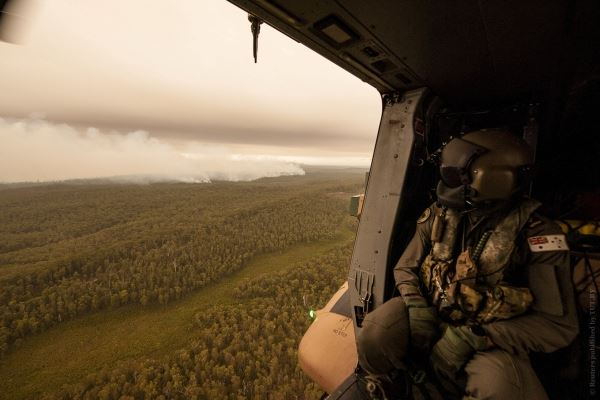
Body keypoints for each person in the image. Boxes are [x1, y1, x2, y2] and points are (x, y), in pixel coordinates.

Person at [357, 129, 579, 399]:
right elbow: (406, 268)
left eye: (458, 175)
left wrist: (476, 336)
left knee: (501, 387)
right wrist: (416, 305)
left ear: (493, 178)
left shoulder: (538, 234)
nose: (448, 182)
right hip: (432, 313)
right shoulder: (442, 213)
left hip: (487, 337)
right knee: (376, 334)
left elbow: (556, 326)